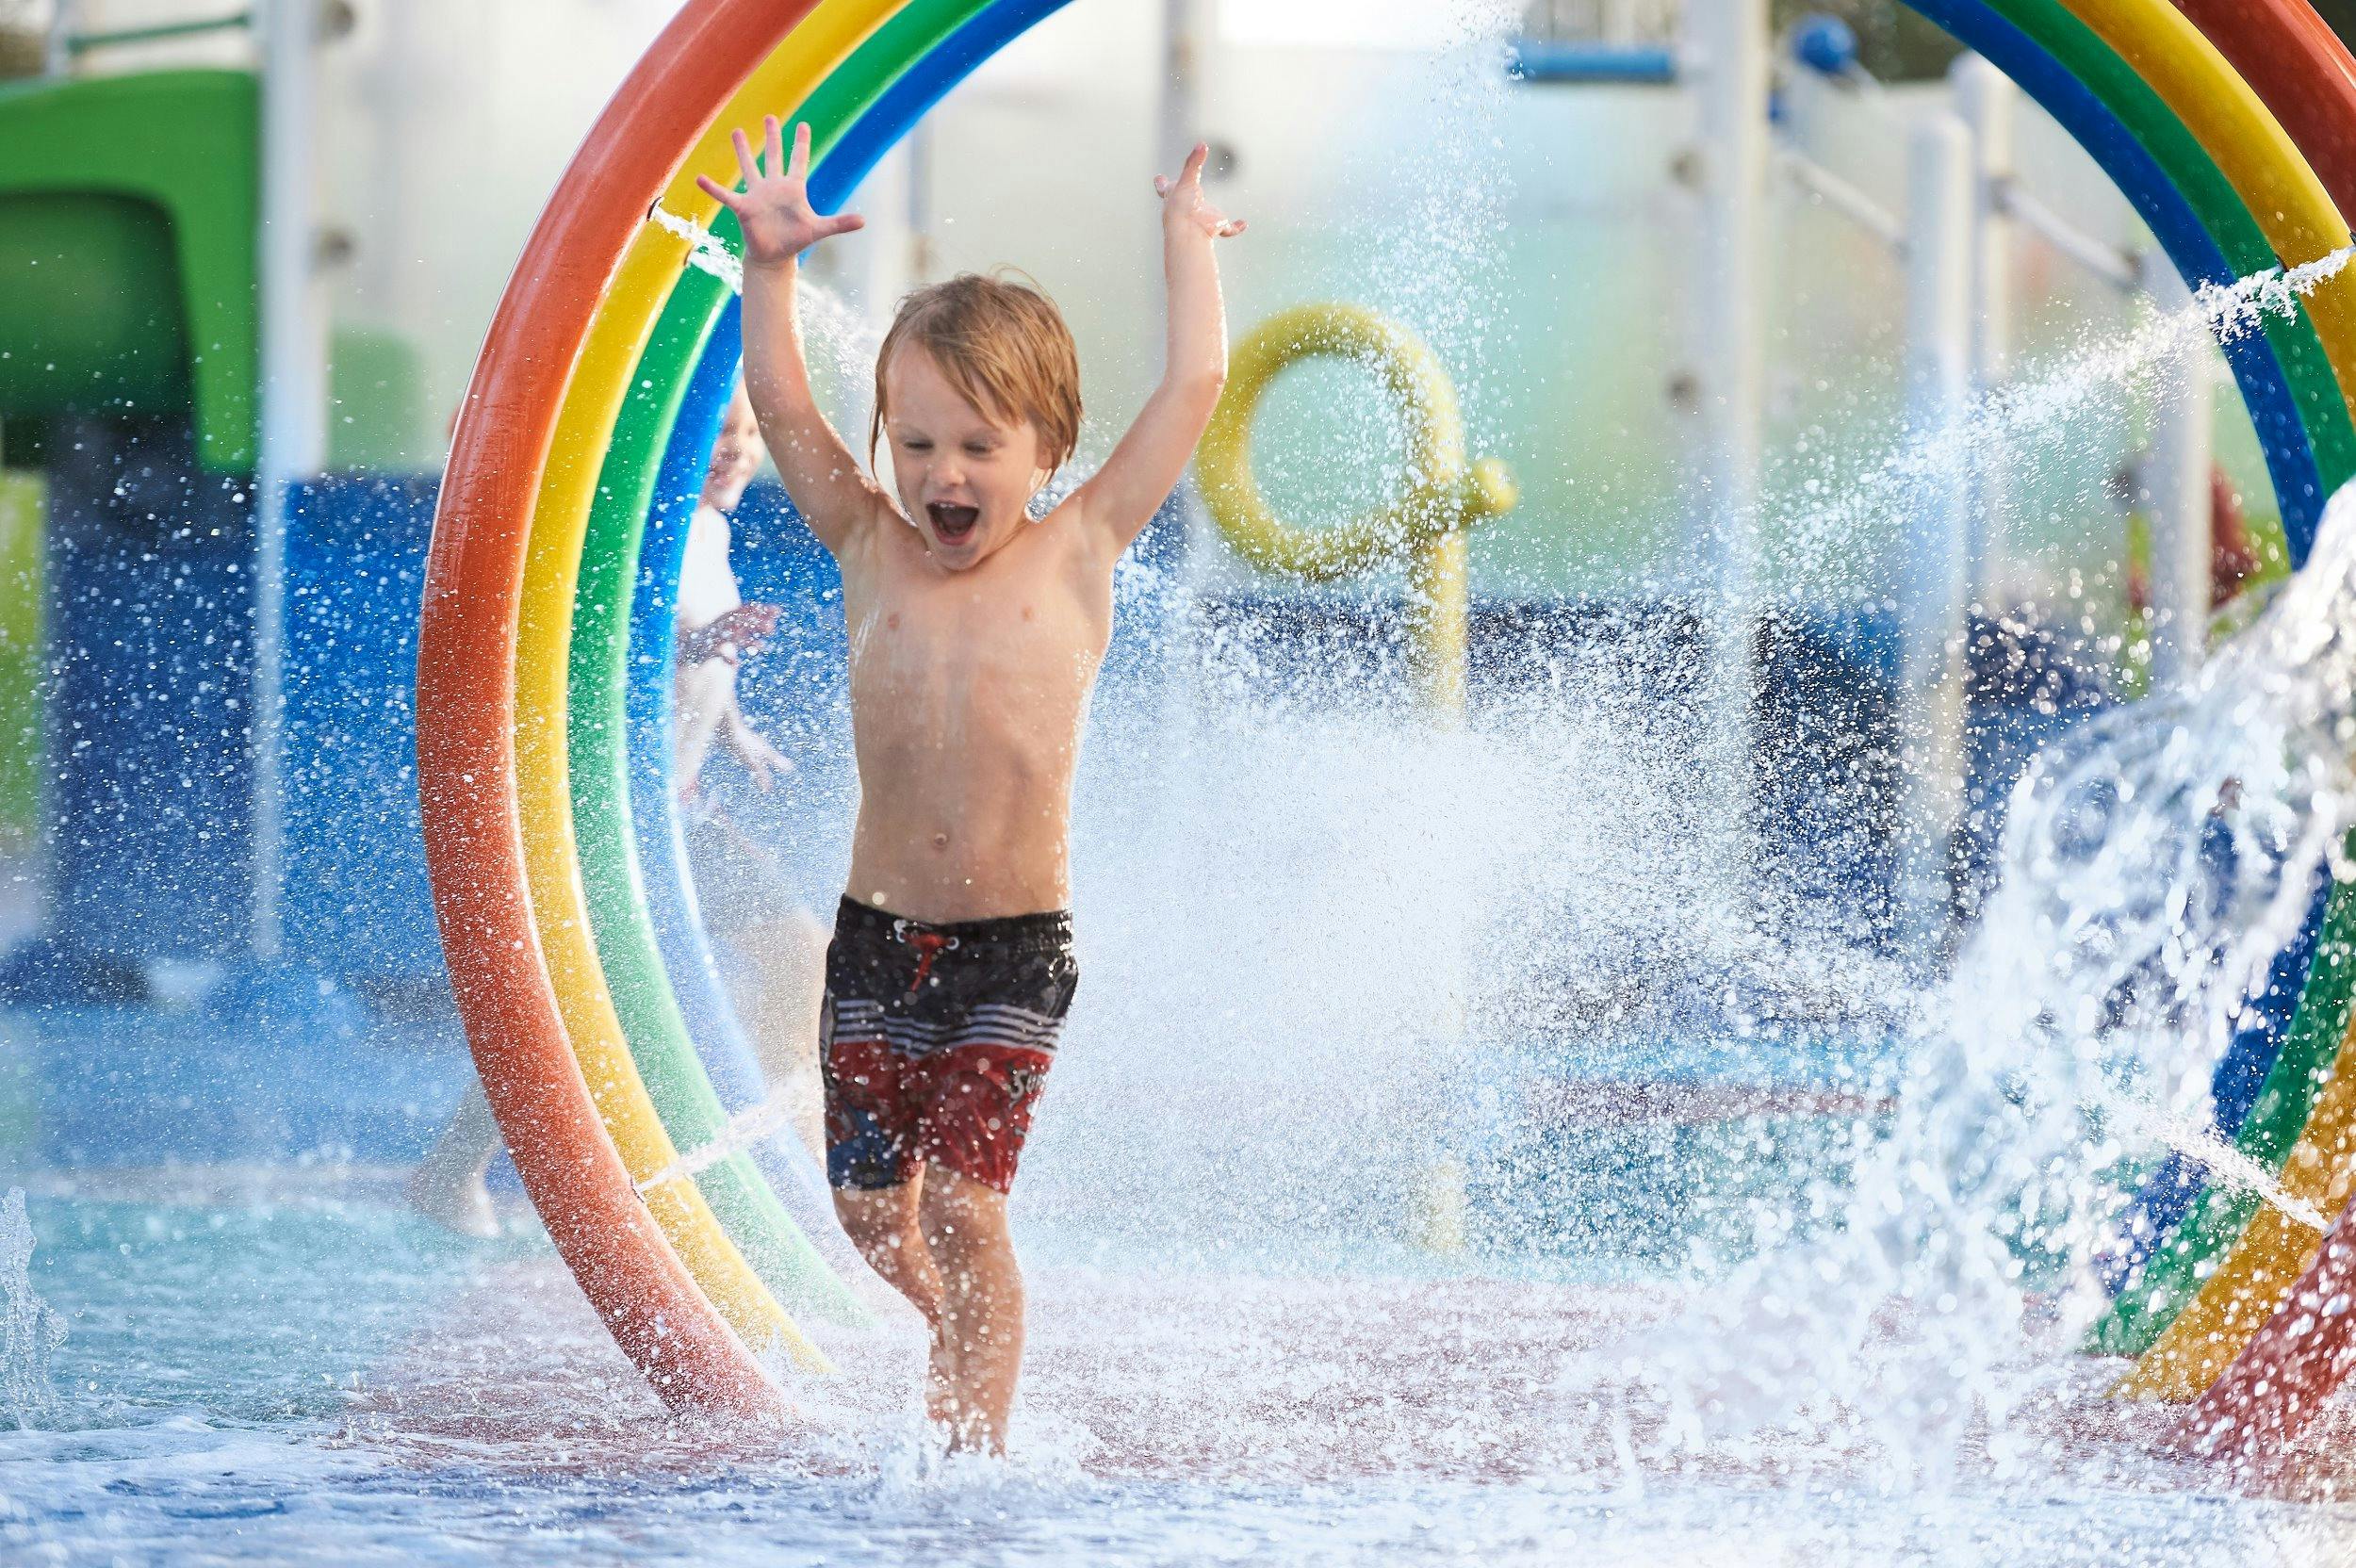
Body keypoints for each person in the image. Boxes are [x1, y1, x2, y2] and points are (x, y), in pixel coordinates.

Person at [698, 117, 1242, 1452]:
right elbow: (782, 410)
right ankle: (954, 1328)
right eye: (919, 443)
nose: (944, 474)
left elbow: (1194, 389)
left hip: (1014, 949)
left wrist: (1184, 249)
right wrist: (769, 267)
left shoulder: (1079, 551)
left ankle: (973, 1456)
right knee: (874, 1212)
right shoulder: (868, 545)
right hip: (876, 941)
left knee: (967, 1206)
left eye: (979, 447)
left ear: (1047, 454)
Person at [406, 386, 814, 1237]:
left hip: (682, 809)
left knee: (800, 955)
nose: (737, 450)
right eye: (717, 433)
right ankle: (453, 1170)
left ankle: (775, 1148)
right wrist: (705, 643)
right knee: (581, 1000)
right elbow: (611, 642)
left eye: (748, 434)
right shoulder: (639, 533)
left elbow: (702, 658)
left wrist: (735, 729)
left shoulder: (712, 529)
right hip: (619, 820)